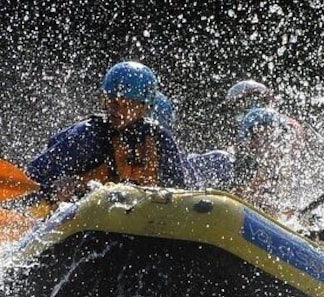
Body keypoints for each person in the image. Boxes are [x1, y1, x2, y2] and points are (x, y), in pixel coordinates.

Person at [25, 61, 187, 208]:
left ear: (145, 108)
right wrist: (53, 190)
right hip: (81, 219)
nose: (117, 110)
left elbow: (178, 193)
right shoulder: (87, 136)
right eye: (111, 101)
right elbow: (32, 180)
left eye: (127, 105)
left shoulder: (161, 140)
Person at [187, 107, 299, 216]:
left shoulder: (273, 172)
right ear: (251, 139)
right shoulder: (224, 161)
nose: (274, 142)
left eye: (278, 137)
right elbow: (232, 198)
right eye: (267, 135)